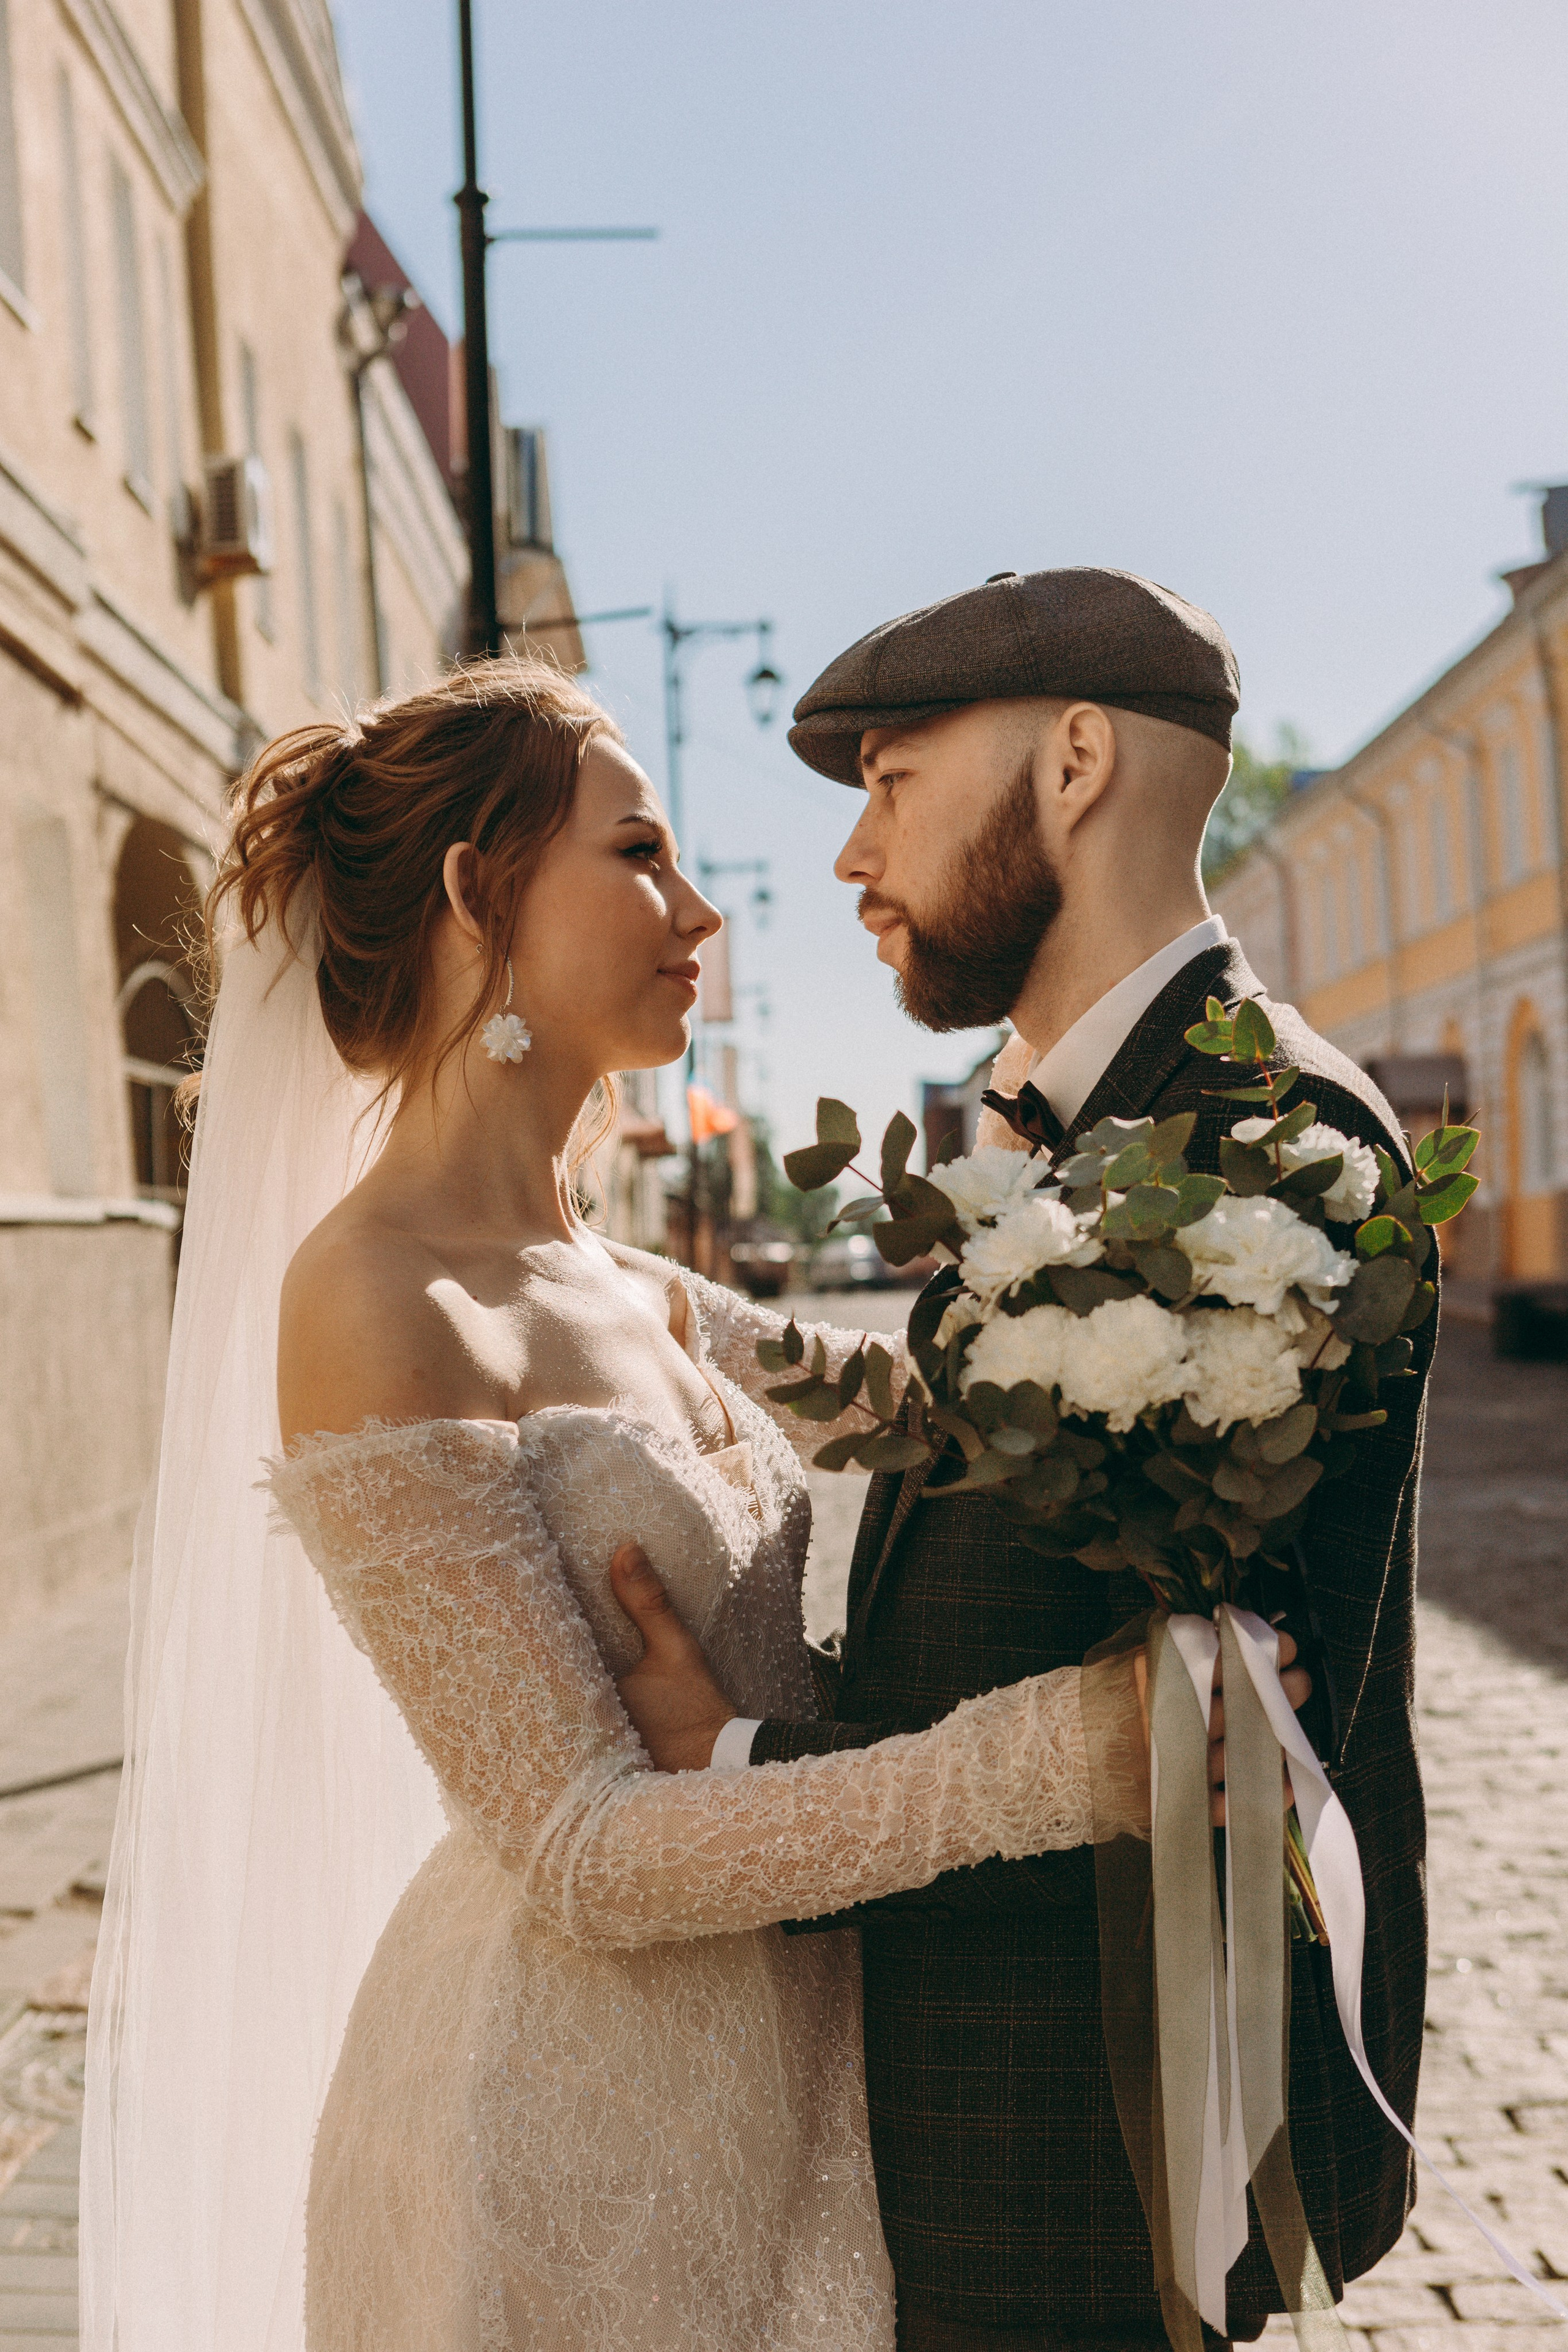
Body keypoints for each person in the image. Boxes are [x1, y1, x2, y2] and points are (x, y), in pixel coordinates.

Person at [84, 655, 1200, 2352]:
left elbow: (953, 1424)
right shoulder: (380, 1303)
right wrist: (1064, 1759)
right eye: (639, 858)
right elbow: (581, 1851)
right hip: (567, 2145)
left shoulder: (637, 1282)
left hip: (798, 2071)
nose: (700, 913)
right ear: (479, 892)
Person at [611, 569, 1430, 2352]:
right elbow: (1012, 1498)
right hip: (988, 2076)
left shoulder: (1256, 1148)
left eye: (893, 785)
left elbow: (1186, 1741)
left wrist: (731, 1754)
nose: (847, 858)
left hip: (1080, 2110)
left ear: (1072, 761)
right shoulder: (1118, 1113)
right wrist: (730, 1346)